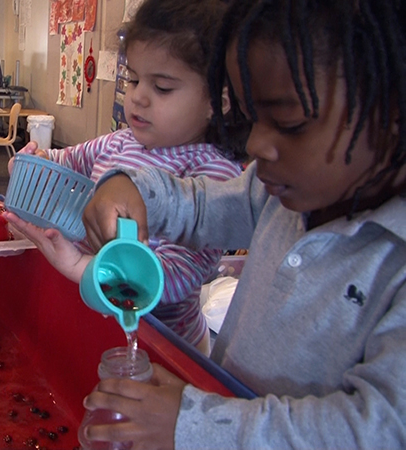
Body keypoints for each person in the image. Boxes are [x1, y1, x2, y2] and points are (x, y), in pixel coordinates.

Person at [74, 0, 406, 447]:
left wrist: (197, 425)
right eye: (252, 118)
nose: (256, 143)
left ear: (393, 113)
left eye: (288, 123)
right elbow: (203, 206)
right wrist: (131, 186)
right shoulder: (275, 193)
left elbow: (377, 428)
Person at [7, 0, 246, 355]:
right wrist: (35, 161)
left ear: (217, 101)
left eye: (162, 88)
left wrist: (85, 268)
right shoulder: (119, 142)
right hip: (98, 317)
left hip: (164, 345)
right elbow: (65, 160)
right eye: (133, 79)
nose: (138, 98)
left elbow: (175, 279)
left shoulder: (214, 175)